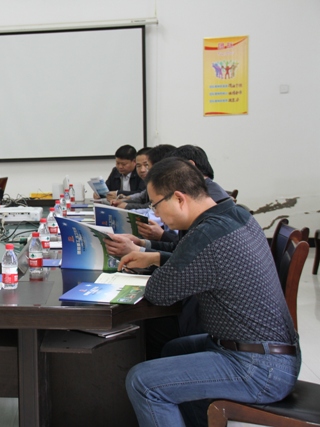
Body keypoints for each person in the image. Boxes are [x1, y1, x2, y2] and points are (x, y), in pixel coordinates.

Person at [120, 158, 300, 427]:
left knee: (143, 381)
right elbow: (210, 265)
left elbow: (159, 293)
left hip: (260, 368)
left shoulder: (204, 235)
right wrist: (156, 257)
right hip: (272, 352)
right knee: (174, 349)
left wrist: (156, 260)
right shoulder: (235, 214)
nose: (155, 213)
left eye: (155, 205)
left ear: (179, 198)